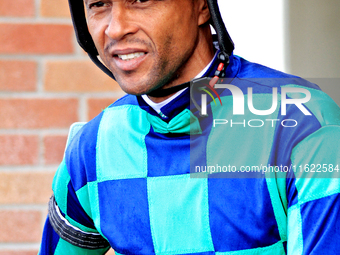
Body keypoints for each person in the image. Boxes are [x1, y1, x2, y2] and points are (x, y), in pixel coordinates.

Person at [39, 0, 340, 254]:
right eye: (99, 4)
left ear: (200, 7)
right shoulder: (91, 147)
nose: (116, 28)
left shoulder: (304, 124)